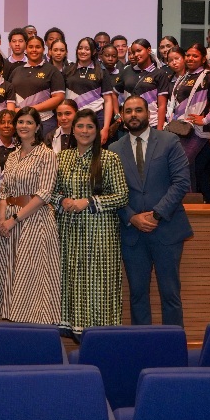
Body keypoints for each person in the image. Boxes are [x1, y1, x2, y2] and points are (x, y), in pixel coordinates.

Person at [110, 96, 191, 326]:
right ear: (122, 116)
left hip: (166, 229)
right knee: (137, 295)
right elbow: (110, 191)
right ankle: (142, 344)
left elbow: (181, 183)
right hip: (132, 233)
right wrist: (131, 217)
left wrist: (156, 214)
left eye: (138, 110)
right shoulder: (114, 149)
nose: (133, 115)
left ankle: (173, 344)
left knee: (170, 294)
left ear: (148, 113)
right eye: (128, 111)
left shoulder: (169, 141)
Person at [51, 109, 128, 336]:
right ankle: (72, 330)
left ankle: (100, 337)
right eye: (80, 126)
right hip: (68, 233)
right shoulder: (61, 158)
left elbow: (122, 196)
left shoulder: (109, 158)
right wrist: (62, 200)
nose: (85, 131)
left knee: (98, 286)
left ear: (97, 130)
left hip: (100, 234)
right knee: (70, 282)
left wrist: (89, 202)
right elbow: (49, 192)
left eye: (90, 127)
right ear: (72, 129)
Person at [0, 106, 60, 324]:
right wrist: (2, 219)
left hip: (34, 221)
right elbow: (5, 192)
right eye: (20, 122)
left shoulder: (46, 154)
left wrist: (14, 219)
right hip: (9, 222)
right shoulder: (12, 156)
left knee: (31, 281)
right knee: (10, 278)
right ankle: (13, 332)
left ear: (37, 127)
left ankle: (34, 334)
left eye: (29, 122)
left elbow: (44, 194)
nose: (24, 126)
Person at [169, 44, 210, 195]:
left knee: (181, 163)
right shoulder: (183, 77)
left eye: (195, 56)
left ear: (203, 59)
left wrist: (206, 119)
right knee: (188, 167)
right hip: (180, 129)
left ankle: (185, 200)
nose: (190, 58)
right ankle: (190, 202)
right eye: (188, 55)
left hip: (197, 130)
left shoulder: (208, 76)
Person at [8, 37, 66, 138]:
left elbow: (59, 97)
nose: (34, 50)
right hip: (20, 122)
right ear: (26, 49)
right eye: (31, 47)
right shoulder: (16, 71)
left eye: (38, 47)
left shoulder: (52, 70)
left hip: (44, 122)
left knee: (44, 148)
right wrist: (14, 110)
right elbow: (9, 96)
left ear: (43, 49)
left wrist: (32, 109)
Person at [64, 37, 114, 143]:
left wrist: (105, 128)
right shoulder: (68, 70)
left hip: (96, 116)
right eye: (80, 48)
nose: (83, 51)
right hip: (73, 118)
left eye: (87, 49)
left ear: (94, 51)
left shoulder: (101, 71)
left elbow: (108, 100)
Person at [127, 38, 170, 130]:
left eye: (139, 51)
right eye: (133, 52)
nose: (136, 55)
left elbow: (162, 105)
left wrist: (159, 128)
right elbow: (114, 94)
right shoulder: (128, 71)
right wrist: (119, 115)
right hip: (132, 124)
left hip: (153, 123)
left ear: (149, 50)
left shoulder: (159, 74)